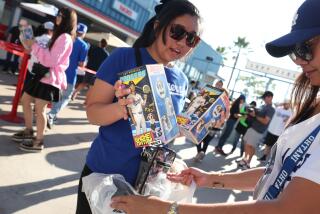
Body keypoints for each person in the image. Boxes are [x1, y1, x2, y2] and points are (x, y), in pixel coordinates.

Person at [110, 1, 320, 212]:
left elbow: (286, 209)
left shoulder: (180, 79)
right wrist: (212, 178)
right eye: (295, 52)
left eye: (305, 48)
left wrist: (166, 210)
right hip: (111, 167)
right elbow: (278, 173)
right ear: (157, 26)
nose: (299, 61)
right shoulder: (313, 110)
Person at [75, 0, 201, 213]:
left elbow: (165, 135)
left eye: (192, 39)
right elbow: (92, 112)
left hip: (147, 187)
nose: (182, 43)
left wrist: (194, 125)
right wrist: (120, 109)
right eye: (177, 31)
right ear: (157, 26)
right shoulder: (124, 58)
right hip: (104, 176)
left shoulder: (181, 80)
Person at [12, 8, 77, 152]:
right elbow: (48, 55)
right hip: (43, 74)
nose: (57, 17)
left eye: (60, 15)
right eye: (58, 15)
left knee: (39, 109)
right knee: (26, 100)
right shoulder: (59, 35)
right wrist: (33, 46)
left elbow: (51, 60)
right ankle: (29, 131)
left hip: (50, 77)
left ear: (66, 19)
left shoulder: (64, 37)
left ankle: (39, 141)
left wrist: (34, 45)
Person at [47, 23, 89, 128]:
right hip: (70, 75)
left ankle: (50, 114)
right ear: (83, 33)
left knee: (56, 94)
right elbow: (81, 64)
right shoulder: (83, 45)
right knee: (66, 96)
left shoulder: (66, 38)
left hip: (57, 71)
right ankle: (51, 115)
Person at [238, 91, 275, 169]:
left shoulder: (271, 109)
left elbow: (265, 121)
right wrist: (252, 111)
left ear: (270, 97)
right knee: (246, 143)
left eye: (265, 97)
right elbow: (257, 114)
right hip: (252, 127)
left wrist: (255, 115)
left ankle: (248, 162)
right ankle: (245, 159)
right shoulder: (263, 106)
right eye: (264, 97)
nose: (264, 99)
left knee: (251, 146)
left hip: (258, 131)